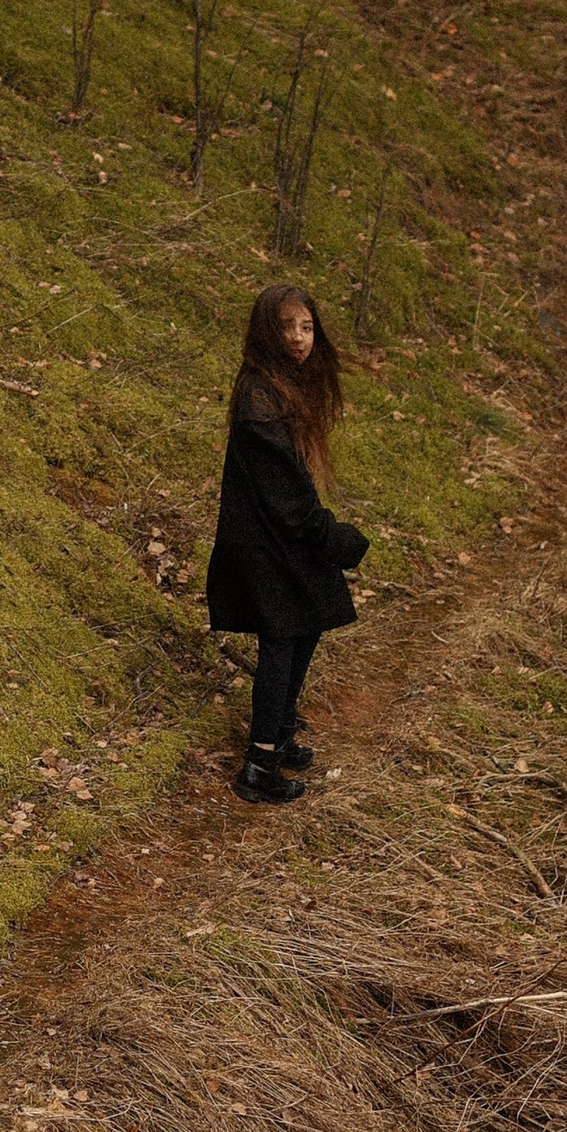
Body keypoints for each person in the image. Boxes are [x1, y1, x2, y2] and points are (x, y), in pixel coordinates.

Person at [203, 281, 368, 805]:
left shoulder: (278, 388)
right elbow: (288, 499)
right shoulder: (259, 400)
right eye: (286, 327)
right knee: (284, 634)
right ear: (265, 332)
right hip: (262, 543)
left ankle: (279, 728)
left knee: (311, 617)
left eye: (307, 326)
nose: (299, 338)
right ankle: (259, 762)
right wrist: (335, 538)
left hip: (276, 537)